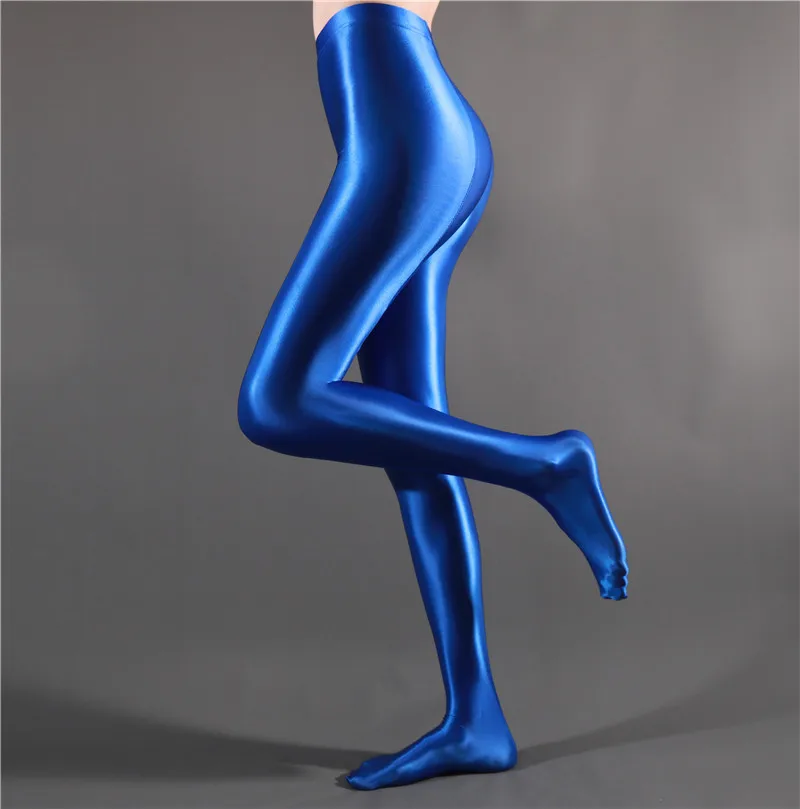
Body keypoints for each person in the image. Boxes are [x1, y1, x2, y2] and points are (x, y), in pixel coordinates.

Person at [238, 0, 629, 790]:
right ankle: (475, 721)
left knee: (276, 401)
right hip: (414, 134)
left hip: (405, 138)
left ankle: (544, 463)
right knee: (414, 445)